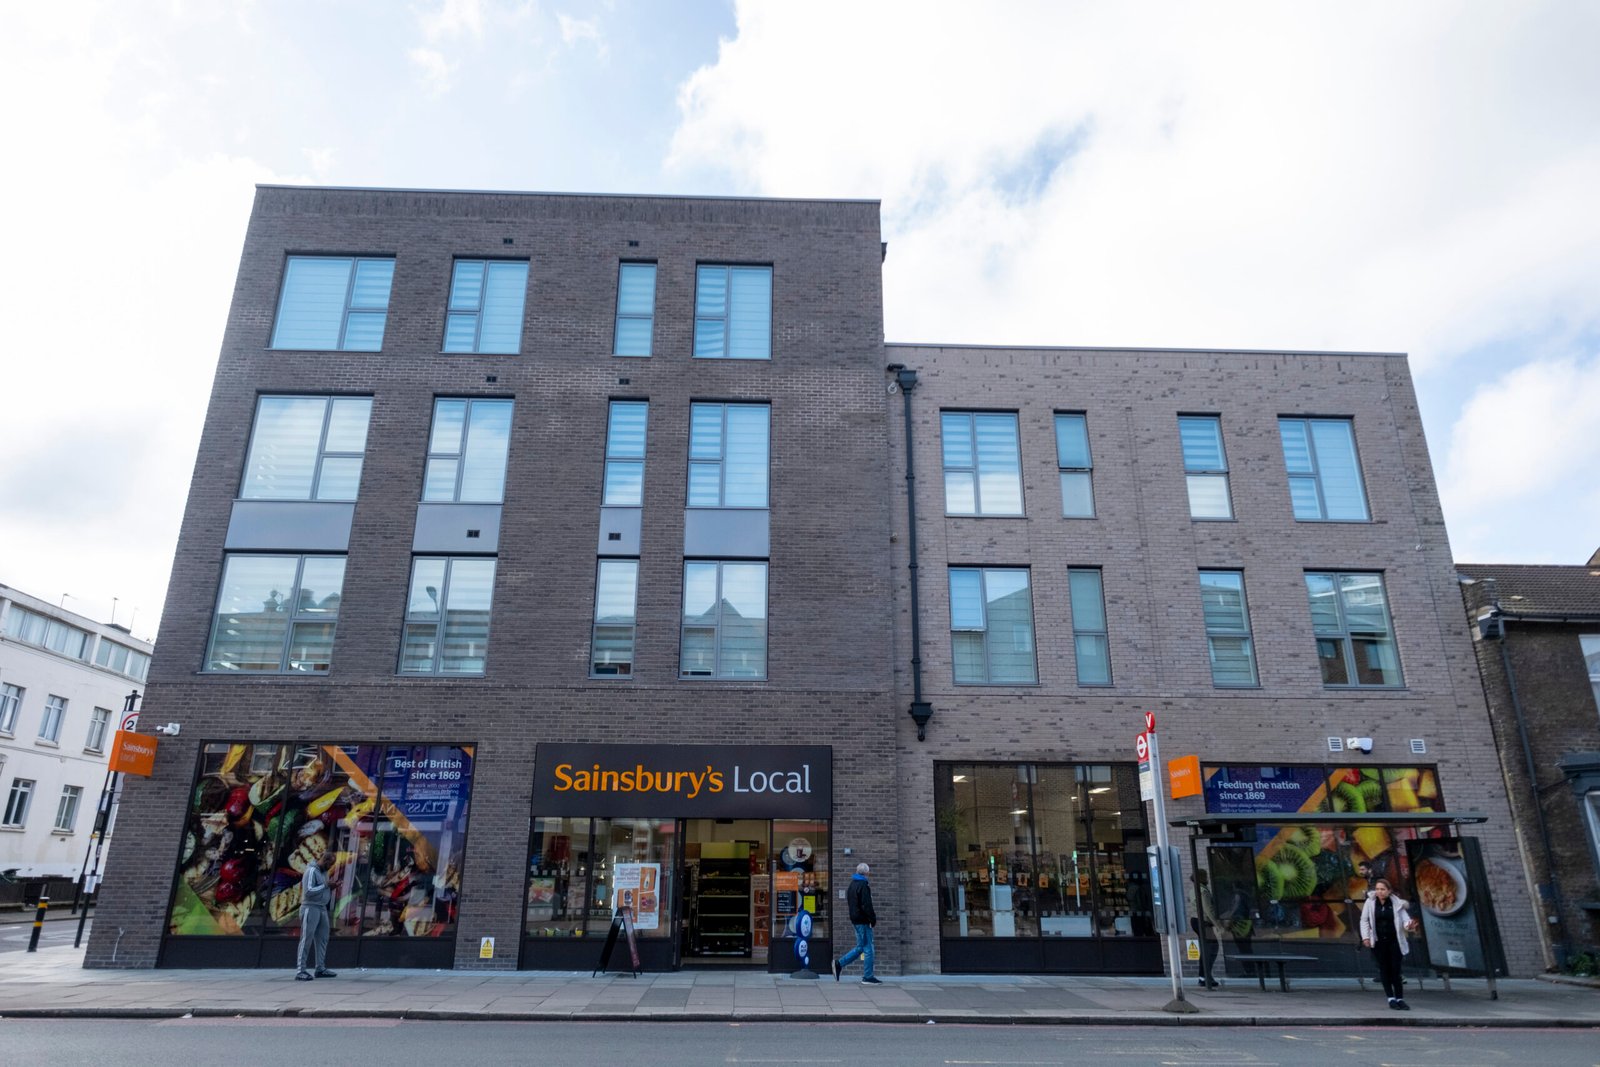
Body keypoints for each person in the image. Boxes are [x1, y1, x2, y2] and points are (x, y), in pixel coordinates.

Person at [1359, 877, 1420, 1010]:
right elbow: (1364, 920)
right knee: (1384, 969)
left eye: (1382, 889)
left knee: (1395, 970)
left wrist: (1409, 926)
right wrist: (1366, 937)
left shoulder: (1397, 903)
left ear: (1389, 891)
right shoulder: (1370, 902)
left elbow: (1405, 920)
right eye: (1377, 889)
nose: (1379, 892)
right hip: (1379, 942)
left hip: (1394, 941)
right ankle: (1391, 998)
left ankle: (1400, 999)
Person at [832, 862, 880, 984]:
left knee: (860, 947)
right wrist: (872, 919)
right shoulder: (863, 885)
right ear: (867, 873)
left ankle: (839, 964)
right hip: (863, 921)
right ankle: (868, 977)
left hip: (856, 920)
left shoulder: (852, 884)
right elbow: (867, 904)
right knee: (868, 949)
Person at [295, 851, 337, 981]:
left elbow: (321, 888)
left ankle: (320, 968)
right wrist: (325, 885)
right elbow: (308, 891)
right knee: (306, 938)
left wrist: (330, 887)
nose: (330, 867)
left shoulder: (324, 872)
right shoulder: (311, 871)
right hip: (310, 907)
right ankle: (301, 970)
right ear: (325, 860)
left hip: (322, 908)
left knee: (323, 938)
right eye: (330, 864)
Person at [1187, 870, 1223, 988]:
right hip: (1203, 921)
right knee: (1211, 948)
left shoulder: (1193, 890)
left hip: (1196, 920)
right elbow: (1208, 909)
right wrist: (1218, 925)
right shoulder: (1203, 891)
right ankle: (1205, 976)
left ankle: (1204, 976)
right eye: (1206, 876)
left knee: (1206, 948)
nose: (1208, 878)